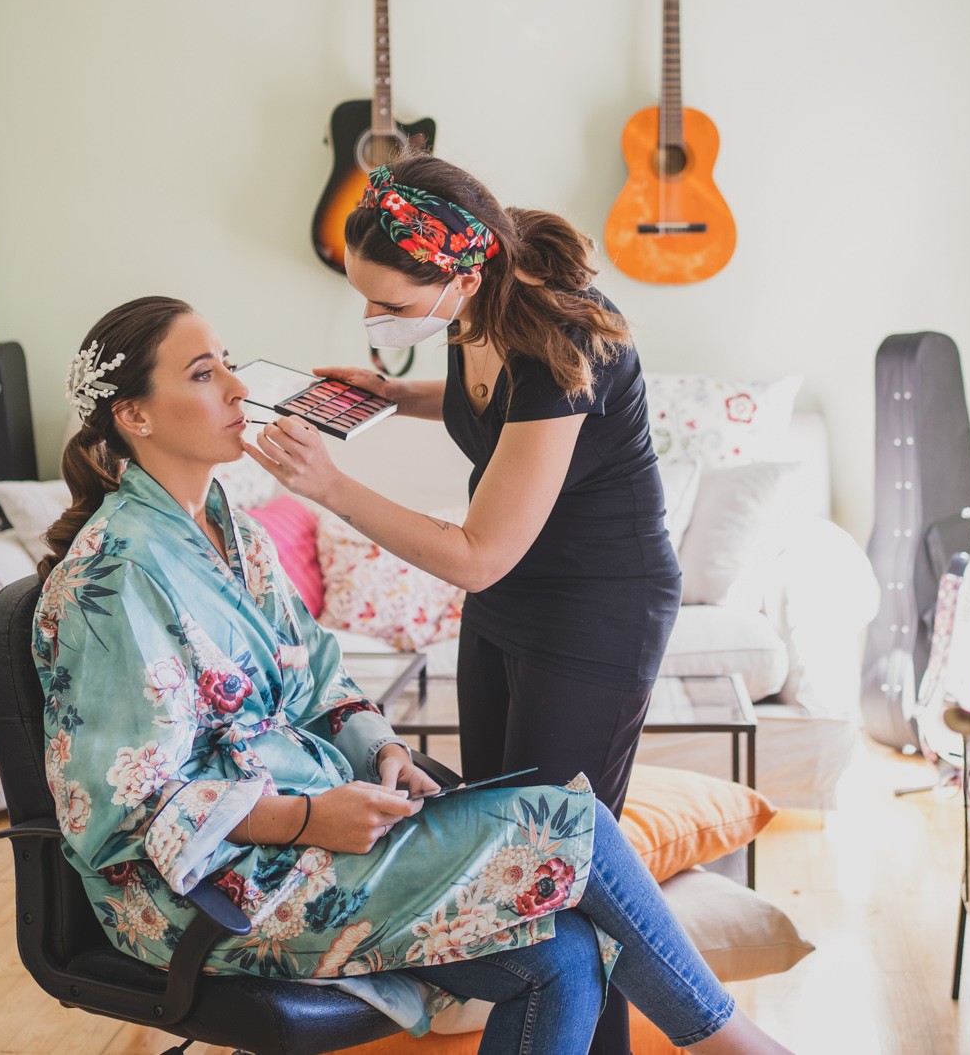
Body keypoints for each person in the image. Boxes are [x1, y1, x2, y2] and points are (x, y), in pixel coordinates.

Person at [34, 296, 790, 1054]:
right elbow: (127, 800)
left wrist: (382, 751)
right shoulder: (115, 575)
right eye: (204, 373)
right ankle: (734, 1042)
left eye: (229, 360)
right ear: (134, 414)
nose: (237, 387)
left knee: (564, 952)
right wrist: (305, 819)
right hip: (207, 890)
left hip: (310, 835)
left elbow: (318, 674)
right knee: (573, 820)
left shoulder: (229, 526)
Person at [245, 156, 682, 1055]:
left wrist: (330, 484)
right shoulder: (477, 297)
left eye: (396, 307)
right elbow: (491, 407)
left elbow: (478, 555)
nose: (382, 322)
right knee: (502, 848)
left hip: (597, 607)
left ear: (461, 275)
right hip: (514, 601)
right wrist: (394, 395)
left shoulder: (562, 342)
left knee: (553, 861)